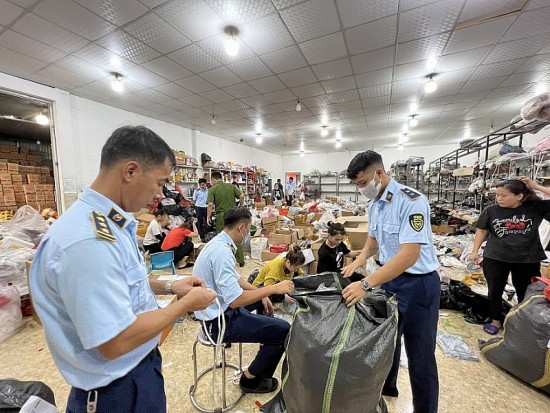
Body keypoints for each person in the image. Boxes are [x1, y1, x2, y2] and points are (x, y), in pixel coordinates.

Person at [29, 125, 217, 413]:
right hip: (116, 392)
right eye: (159, 182)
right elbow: (114, 341)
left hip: (137, 373)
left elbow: (125, 281)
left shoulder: (110, 224)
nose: (159, 194)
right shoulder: (87, 241)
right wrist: (184, 306)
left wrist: (170, 286)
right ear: (131, 171)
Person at [340, 150, 440, 413]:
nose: (361, 189)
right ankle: (388, 387)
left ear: (379, 174)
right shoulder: (375, 204)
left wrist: (366, 284)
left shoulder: (412, 202)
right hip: (390, 282)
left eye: (363, 183)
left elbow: (409, 255)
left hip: (419, 286)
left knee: (420, 356)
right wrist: (358, 260)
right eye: (357, 185)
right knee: (387, 341)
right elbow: (373, 242)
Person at [194, 207, 294, 394]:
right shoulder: (222, 252)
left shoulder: (219, 243)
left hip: (221, 310)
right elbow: (236, 300)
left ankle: (264, 344)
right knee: (282, 330)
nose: (248, 233)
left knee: (266, 297)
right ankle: (250, 380)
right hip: (218, 323)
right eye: (248, 229)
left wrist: (263, 294)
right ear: (241, 227)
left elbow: (237, 280)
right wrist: (272, 288)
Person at [471, 178, 550, 336]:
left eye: (504, 195)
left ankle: (522, 322)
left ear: (519, 196)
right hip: (496, 256)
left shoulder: (534, 208)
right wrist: (475, 251)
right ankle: (495, 320)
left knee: (526, 292)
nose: (499, 198)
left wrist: (534, 186)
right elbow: (481, 231)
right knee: (494, 290)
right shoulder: (491, 210)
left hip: (527, 258)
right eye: (497, 195)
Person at [246, 246, 304, 314]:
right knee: (266, 300)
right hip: (261, 287)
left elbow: (301, 274)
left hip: (276, 283)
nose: (296, 270)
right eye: (295, 268)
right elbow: (267, 288)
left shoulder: (292, 264)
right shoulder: (275, 269)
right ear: (288, 262)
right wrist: (284, 296)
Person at [207, 171, 246, 266]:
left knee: (222, 239)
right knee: (236, 236)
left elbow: (210, 204)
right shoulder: (231, 186)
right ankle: (241, 261)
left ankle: (225, 261)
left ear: (213, 179)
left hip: (221, 216)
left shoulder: (212, 189)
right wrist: (240, 206)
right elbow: (241, 196)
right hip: (233, 214)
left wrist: (208, 216)